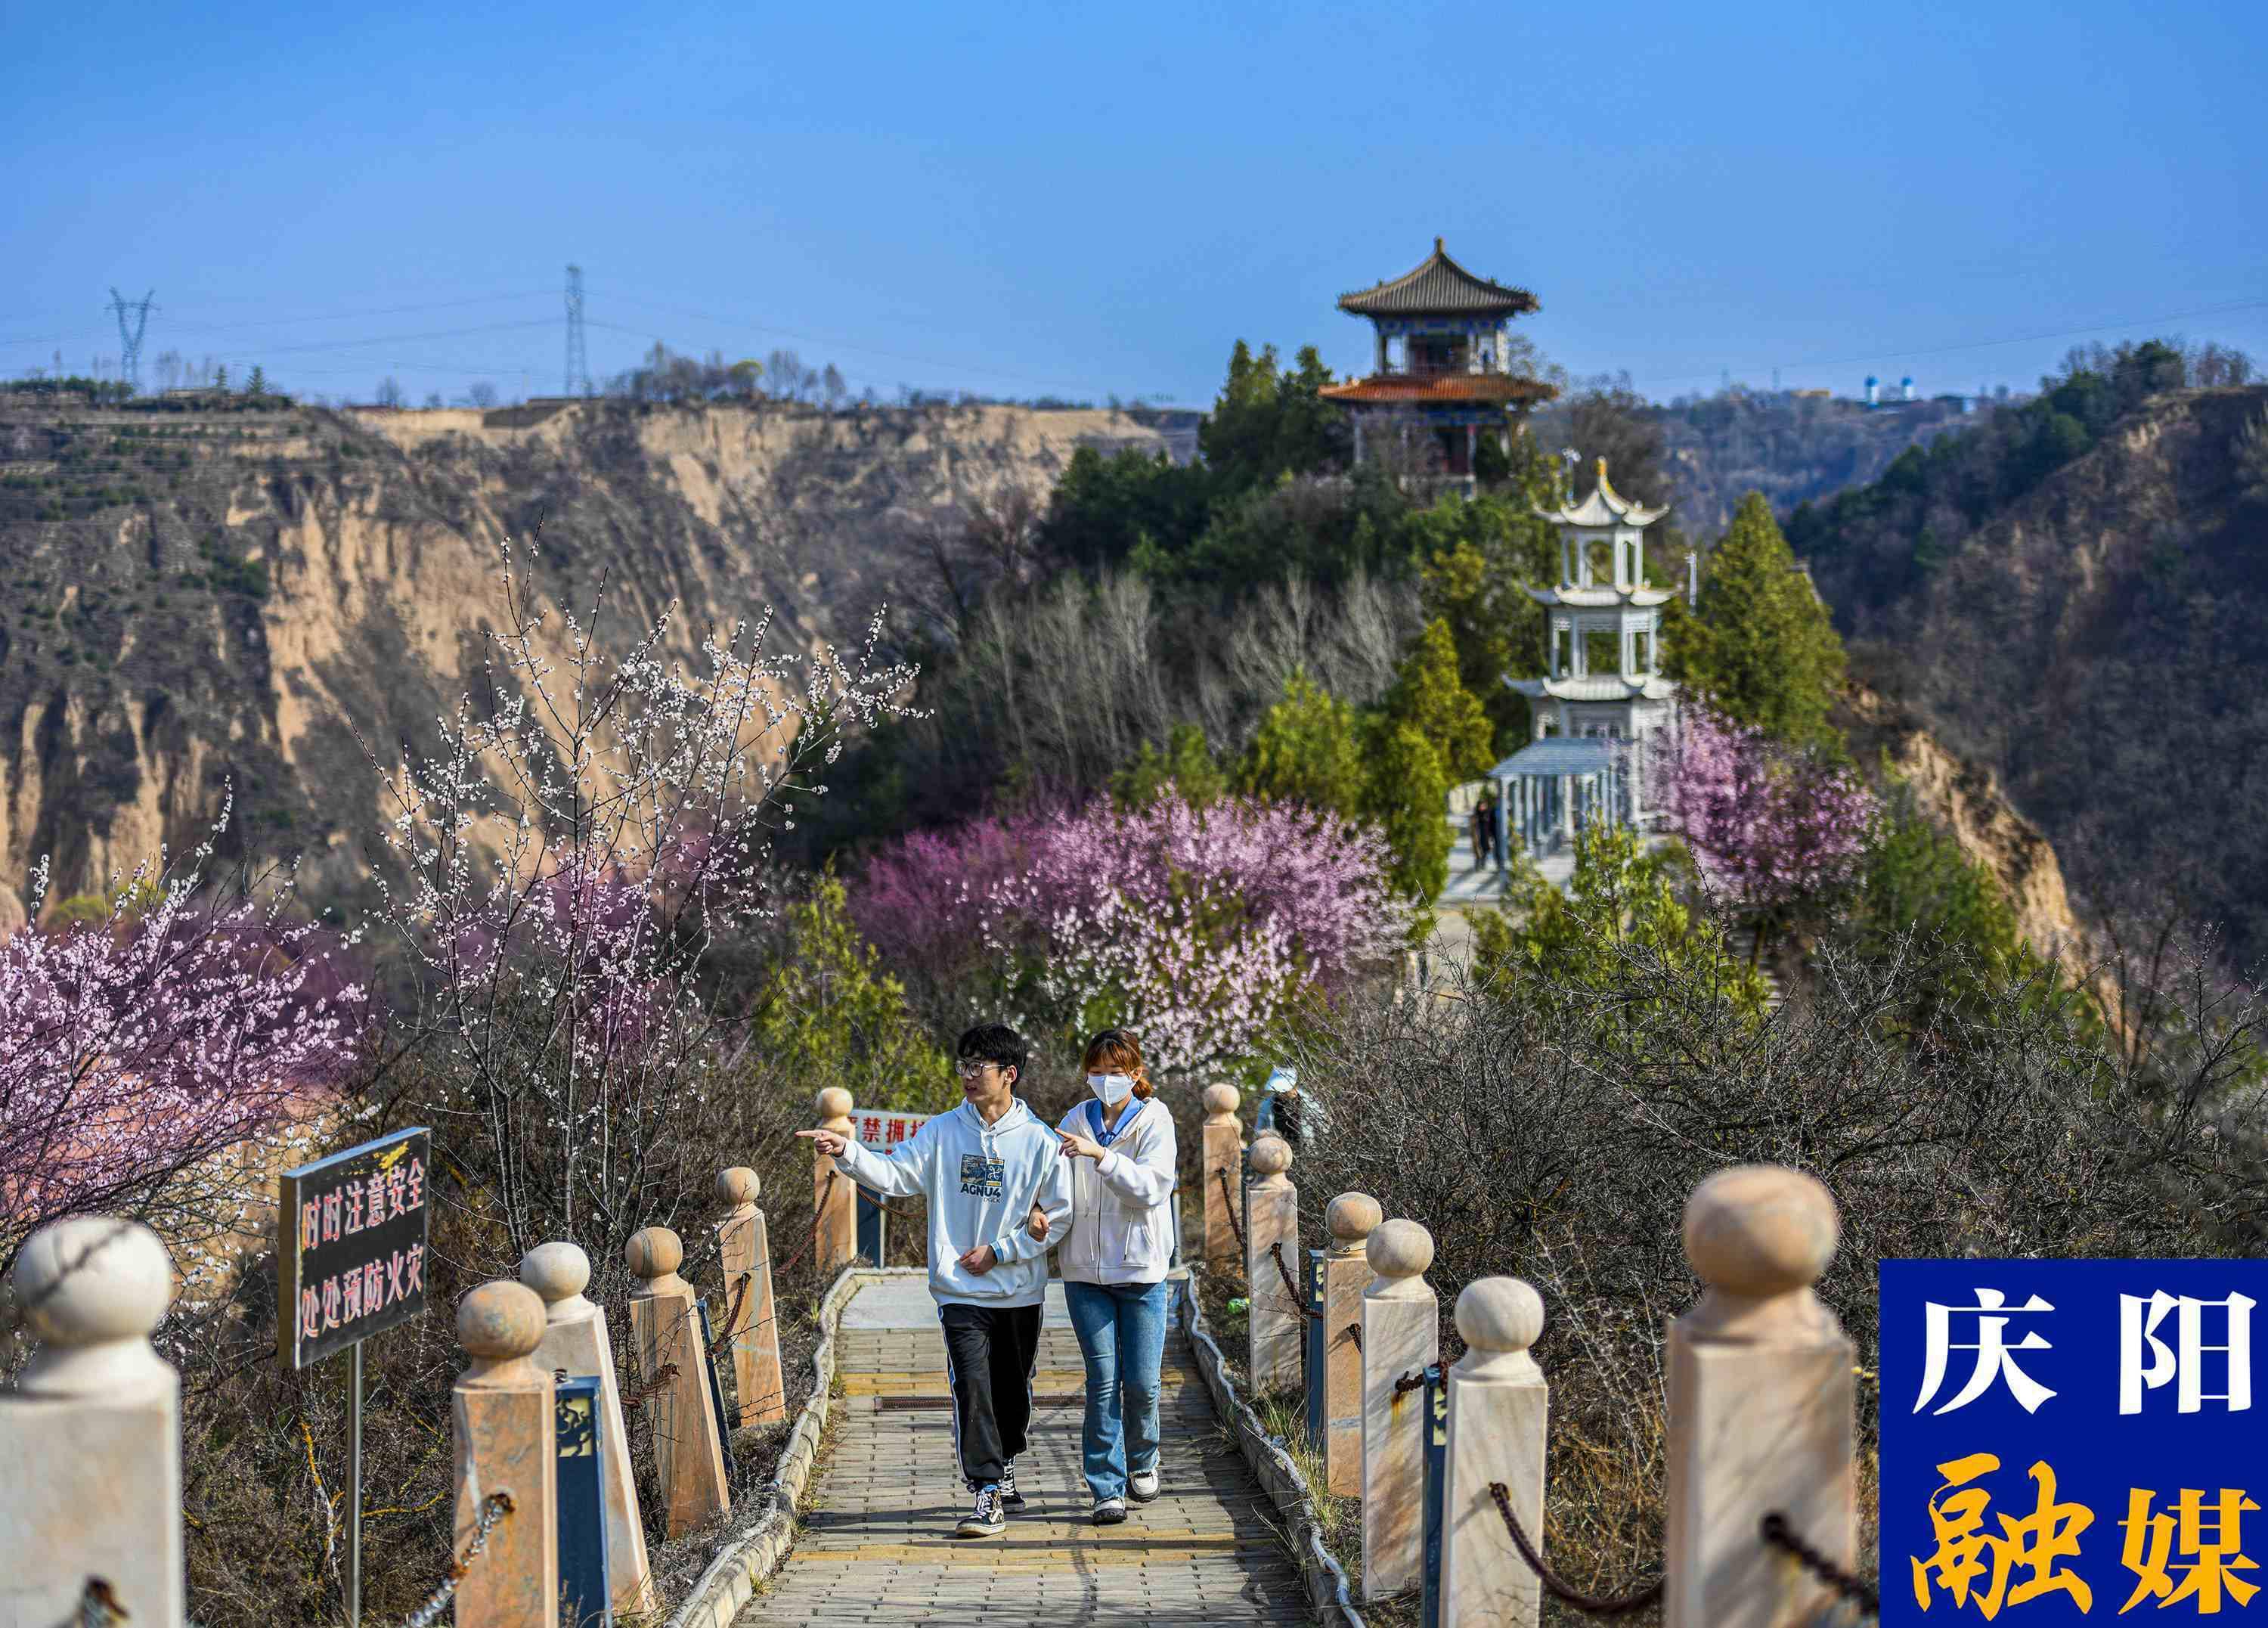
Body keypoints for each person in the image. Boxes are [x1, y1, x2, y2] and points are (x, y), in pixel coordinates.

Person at [797, 1023, 1070, 1539]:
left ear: (1008, 1074)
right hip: (960, 1291)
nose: (967, 1075)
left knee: (1011, 1394)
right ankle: (986, 1490)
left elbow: (1061, 1215)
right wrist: (847, 1152)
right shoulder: (943, 1131)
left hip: (1019, 1291)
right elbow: (897, 1175)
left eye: (978, 1066)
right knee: (971, 1386)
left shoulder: (1041, 1140)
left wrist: (1003, 1251)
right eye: (963, 1065)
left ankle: (1006, 1454)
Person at [1049, 1028, 1178, 1526]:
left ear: (1136, 1073)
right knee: (1103, 1381)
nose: (1105, 1080)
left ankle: (1143, 1458)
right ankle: (1106, 1485)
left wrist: (1101, 1156)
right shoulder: (1073, 1121)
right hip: (1085, 1273)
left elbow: (1150, 1189)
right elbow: (1056, 1187)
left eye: (1115, 1072)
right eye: (1097, 1072)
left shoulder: (1155, 1119)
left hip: (1142, 1271)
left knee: (1142, 1383)